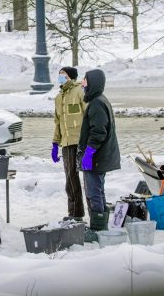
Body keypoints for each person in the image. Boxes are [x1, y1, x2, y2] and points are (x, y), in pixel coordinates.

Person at [78, 68, 121, 237]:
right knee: (98, 190)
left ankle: (97, 229)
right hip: (100, 157)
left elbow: (98, 132)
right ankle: (99, 226)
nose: (82, 83)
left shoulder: (96, 103)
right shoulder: (100, 100)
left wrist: (89, 153)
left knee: (93, 191)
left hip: (97, 157)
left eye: (85, 80)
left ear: (93, 83)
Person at [51, 67, 86, 220]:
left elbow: (88, 114)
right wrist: (55, 143)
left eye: (63, 75)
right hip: (66, 143)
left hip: (79, 140)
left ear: (71, 77)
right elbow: (58, 122)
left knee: (83, 178)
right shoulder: (59, 97)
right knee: (70, 178)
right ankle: (74, 212)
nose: (60, 77)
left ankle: (77, 213)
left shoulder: (79, 91)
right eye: (59, 75)